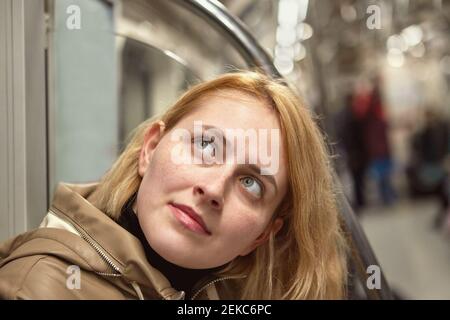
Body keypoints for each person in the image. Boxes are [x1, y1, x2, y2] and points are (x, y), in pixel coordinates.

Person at [0, 71, 348, 300]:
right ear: (151, 148)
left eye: (250, 183)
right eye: (205, 145)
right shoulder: (33, 289)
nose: (213, 189)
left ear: (261, 236)